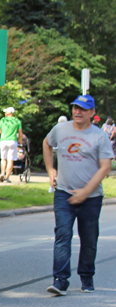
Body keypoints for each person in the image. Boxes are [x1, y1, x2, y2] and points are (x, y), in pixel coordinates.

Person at [43, 95, 114, 295]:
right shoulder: (60, 129)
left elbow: (105, 167)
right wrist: (50, 170)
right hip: (64, 193)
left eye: (83, 109)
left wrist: (86, 191)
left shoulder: (99, 136)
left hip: (91, 198)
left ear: (92, 113)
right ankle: (60, 280)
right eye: (75, 107)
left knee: (89, 238)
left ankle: (86, 276)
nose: (77, 112)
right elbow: (47, 144)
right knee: (63, 234)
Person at [0, 107, 23, 183]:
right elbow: (20, 133)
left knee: (3, 159)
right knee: (10, 160)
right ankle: (7, 177)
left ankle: (2, 173)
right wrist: (20, 142)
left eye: (6, 112)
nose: (5, 113)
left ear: (9, 113)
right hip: (12, 141)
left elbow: (0, 131)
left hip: (3, 141)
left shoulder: (2, 120)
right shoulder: (17, 121)